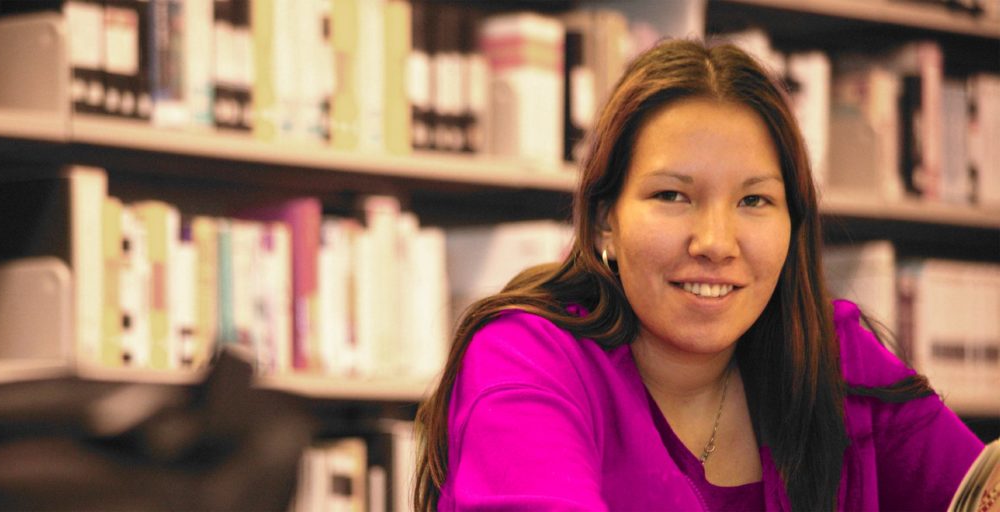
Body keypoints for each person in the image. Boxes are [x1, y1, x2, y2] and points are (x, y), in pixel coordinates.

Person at [413, 38, 985, 511]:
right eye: (672, 195)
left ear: (794, 223)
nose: (715, 243)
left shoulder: (830, 356)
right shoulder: (526, 356)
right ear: (604, 221)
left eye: (754, 201)